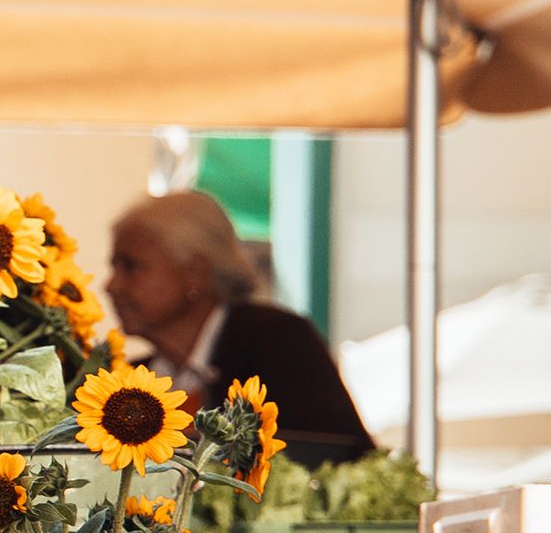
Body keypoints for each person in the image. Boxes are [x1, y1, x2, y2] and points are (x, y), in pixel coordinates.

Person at [105, 190, 373, 462]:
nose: (111, 285)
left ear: (195, 273)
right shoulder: (123, 379)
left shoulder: (277, 343)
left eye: (130, 266)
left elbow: (338, 460)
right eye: (114, 268)